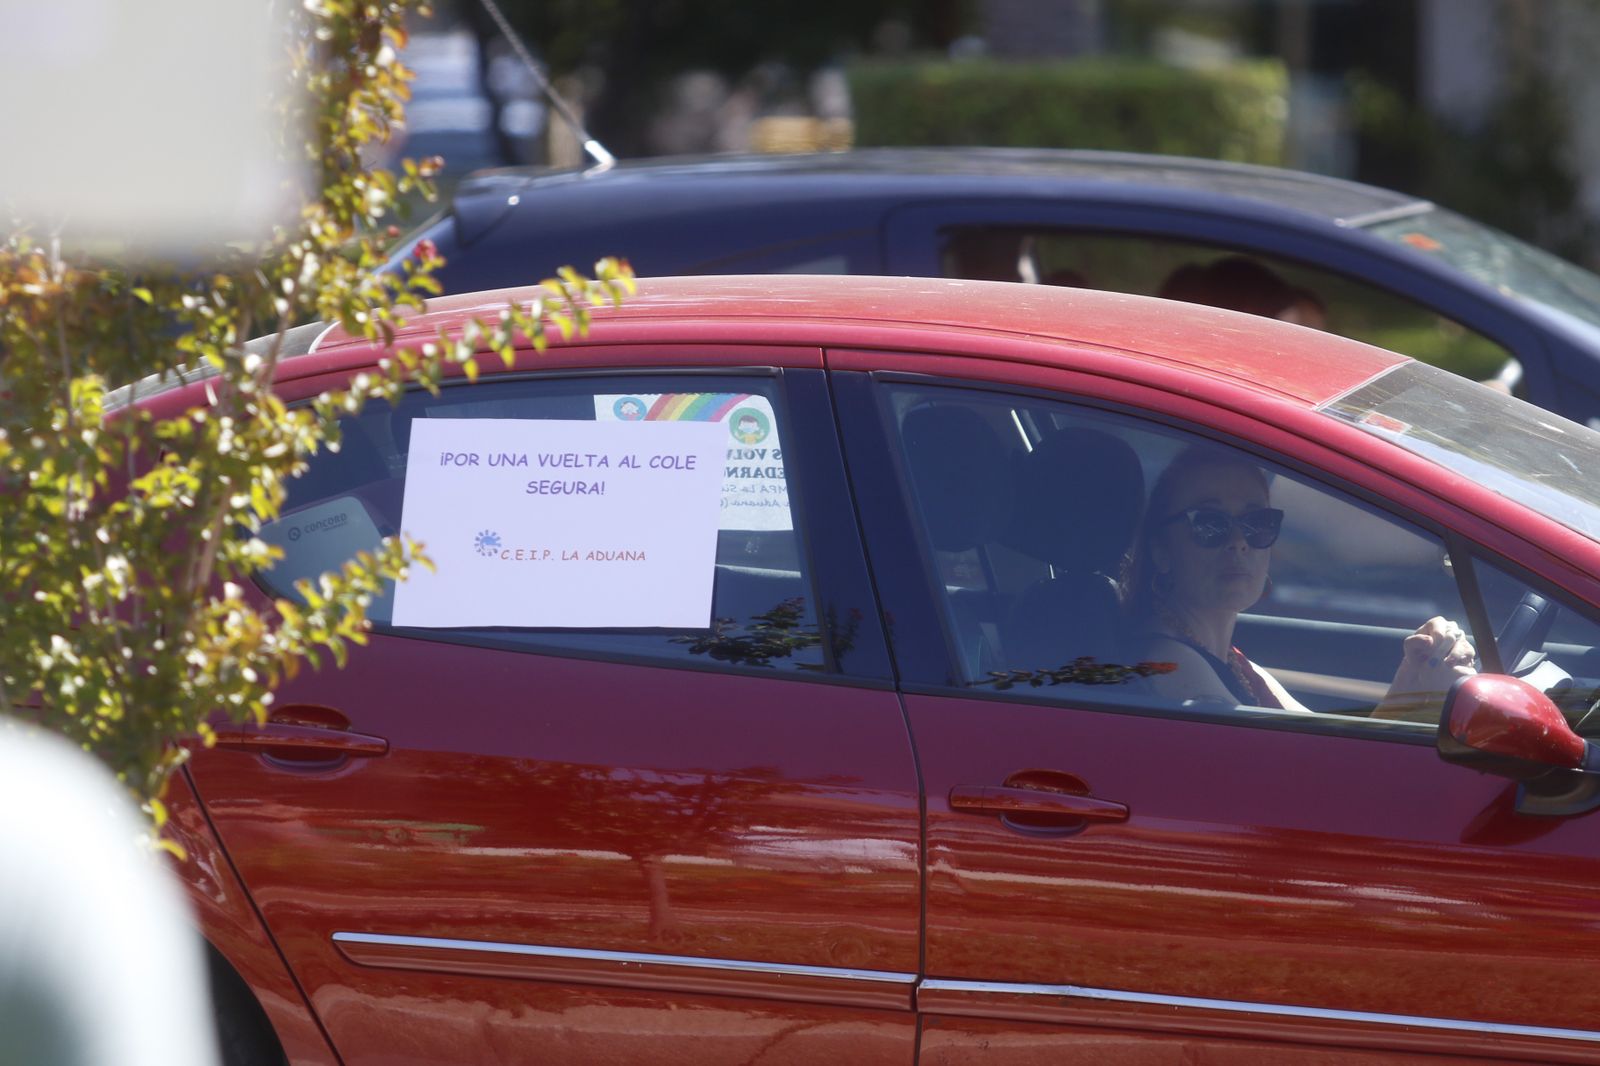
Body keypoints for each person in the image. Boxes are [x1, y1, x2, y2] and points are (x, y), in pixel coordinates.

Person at [1123, 446, 1476, 718]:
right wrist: (1425, 699)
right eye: (1209, 523)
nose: (1239, 541)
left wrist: (1414, 677)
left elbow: (1330, 753)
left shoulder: (1228, 659)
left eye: (1256, 522)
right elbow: (1313, 780)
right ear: (1161, 551)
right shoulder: (1170, 665)